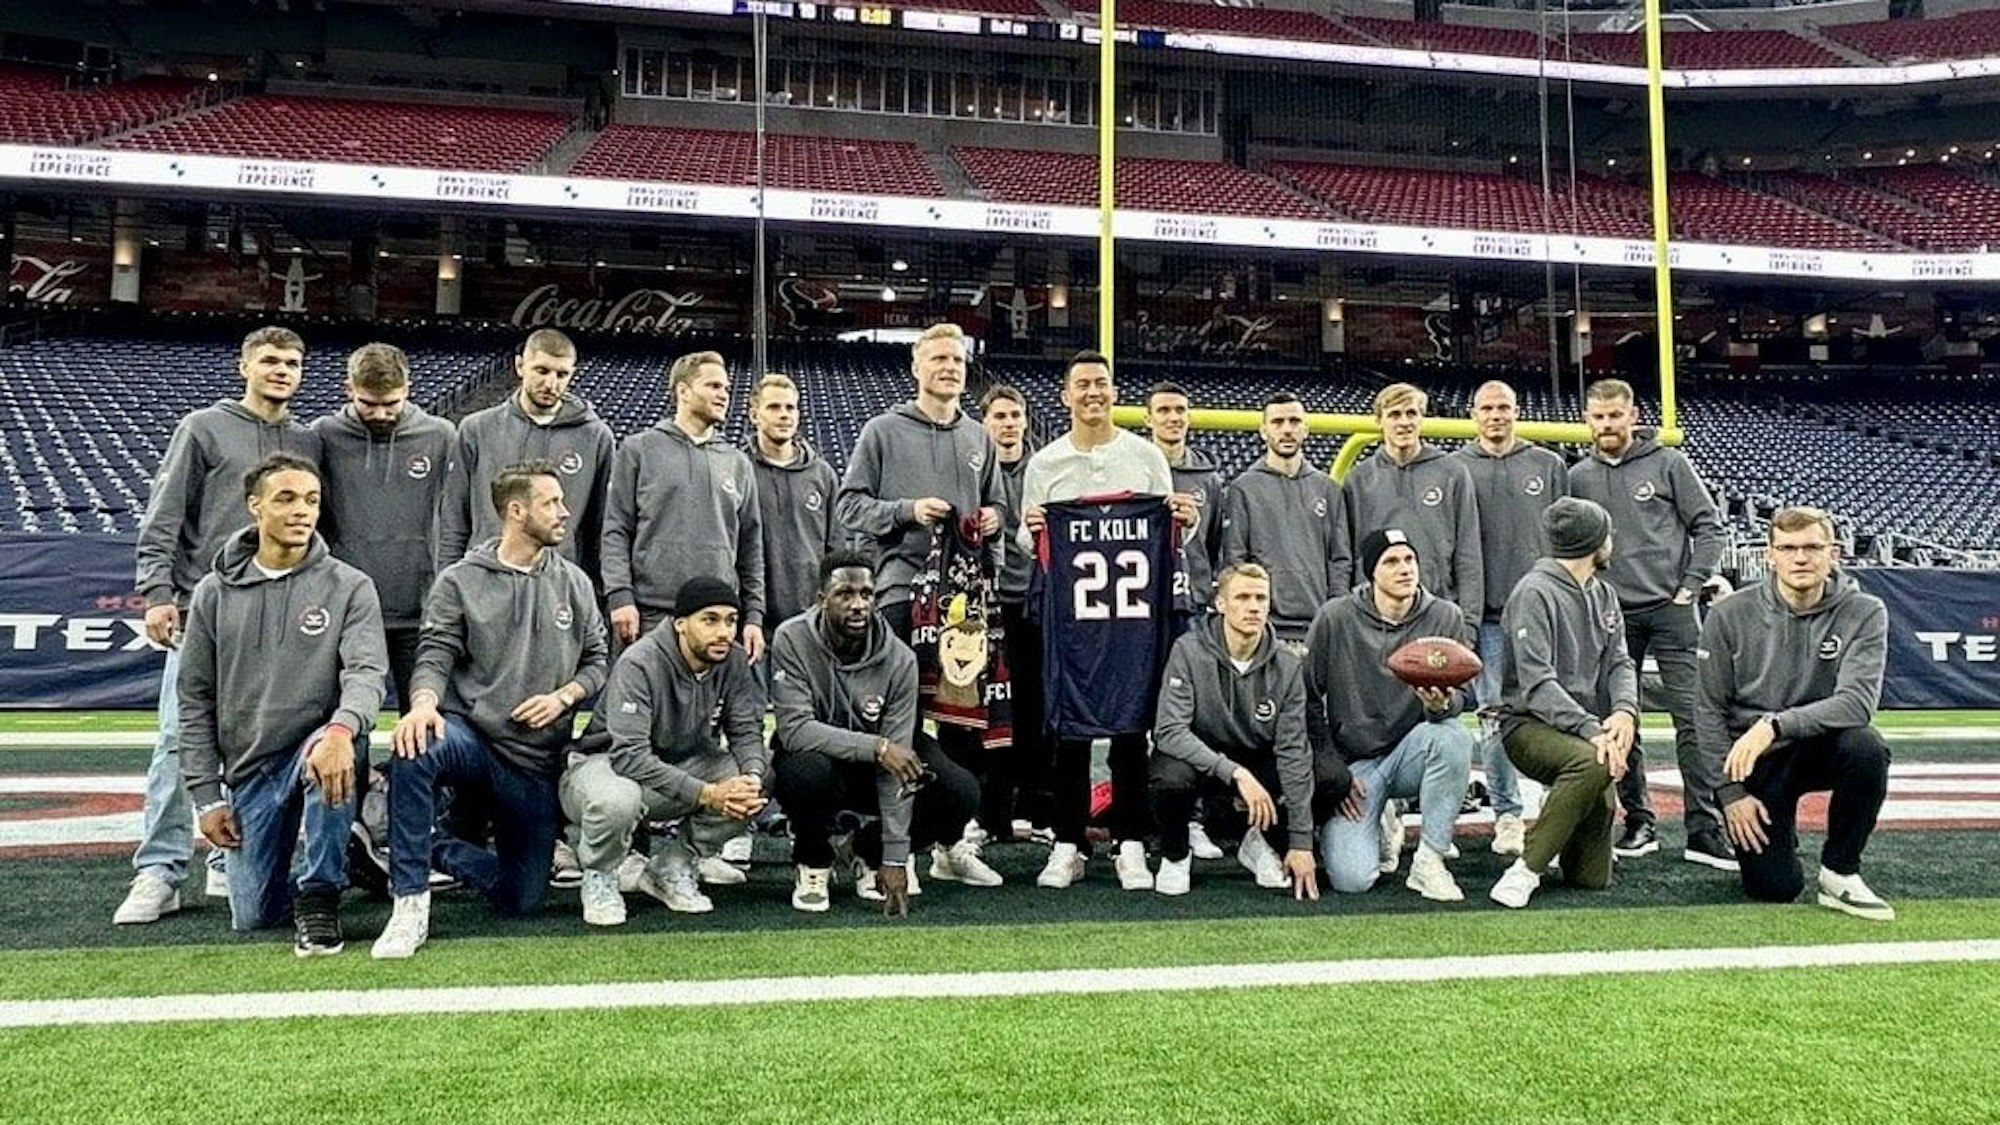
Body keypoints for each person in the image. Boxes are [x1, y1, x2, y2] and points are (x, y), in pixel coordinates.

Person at [118, 325, 322, 925]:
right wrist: (158, 592)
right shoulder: (204, 428)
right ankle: (159, 868)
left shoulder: (309, 441)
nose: (281, 370)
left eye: (291, 362)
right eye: (269, 361)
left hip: (285, 610)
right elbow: (166, 515)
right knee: (181, 737)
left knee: (267, 734)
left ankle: (226, 852)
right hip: (207, 607)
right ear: (244, 366)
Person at [371, 460, 609, 959]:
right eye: (552, 502)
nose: (566, 512)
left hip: (533, 759)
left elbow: (596, 661)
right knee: (416, 746)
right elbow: (434, 653)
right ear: (517, 512)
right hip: (473, 739)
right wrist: (421, 704)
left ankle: (428, 845)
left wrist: (564, 696)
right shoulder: (460, 581)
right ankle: (409, 902)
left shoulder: (575, 583)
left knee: (522, 899)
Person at [180, 454, 386, 953]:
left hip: (319, 747)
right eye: (286, 498)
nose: (302, 511)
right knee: (253, 915)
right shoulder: (213, 593)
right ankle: (347, 850)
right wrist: (207, 797)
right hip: (252, 767)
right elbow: (194, 698)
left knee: (330, 753)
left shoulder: (350, 586)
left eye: (312, 500)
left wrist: (342, 730)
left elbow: (366, 674)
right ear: (254, 506)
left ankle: (320, 894)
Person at [1021, 350, 1185, 892]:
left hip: (1133, 618)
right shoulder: (1044, 464)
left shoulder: (1145, 457)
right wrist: (1035, 528)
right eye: (1082, 385)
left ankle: (1130, 841)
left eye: (1102, 383)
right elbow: (1031, 546)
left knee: (1129, 731)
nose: (1093, 392)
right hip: (1072, 620)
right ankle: (1067, 841)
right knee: (1068, 732)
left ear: (1115, 392)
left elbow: (1166, 535)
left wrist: (1184, 518)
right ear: (1065, 396)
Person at [768, 552, 988, 916]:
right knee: (804, 773)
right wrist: (877, 746)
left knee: (960, 791)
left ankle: (864, 850)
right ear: (821, 600)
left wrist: (894, 856)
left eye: (866, 594)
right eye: (845, 594)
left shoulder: (899, 658)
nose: (858, 605)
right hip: (819, 757)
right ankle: (813, 860)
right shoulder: (791, 638)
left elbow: (898, 761)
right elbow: (794, 730)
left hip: (874, 764)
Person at [1701, 507, 1894, 921]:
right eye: (1788, 548)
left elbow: (1858, 703)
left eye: (1812, 547)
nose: (1800, 558)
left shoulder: (1865, 611)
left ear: (1834, 553)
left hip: (1816, 745)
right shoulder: (1728, 614)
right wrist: (1730, 795)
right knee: (1775, 888)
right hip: (1756, 763)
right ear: (1769, 555)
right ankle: (1778, 840)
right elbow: (1708, 709)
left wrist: (1774, 724)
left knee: (1866, 747)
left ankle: (1840, 871)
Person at [1569, 378, 1729, 869]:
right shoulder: (1577, 477)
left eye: (1615, 416)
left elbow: (1709, 526)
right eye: (1598, 417)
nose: (1607, 426)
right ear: (1587, 420)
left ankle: (1704, 827)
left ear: (1633, 416)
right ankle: (1639, 820)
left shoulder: (1668, 463)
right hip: (1612, 616)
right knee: (1620, 723)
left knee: (1694, 719)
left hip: (1671, 609)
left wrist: (1691, 583)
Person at [558, 577, 767, 926]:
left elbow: (745, 730)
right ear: (680, 624)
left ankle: (674, 865)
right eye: (710, 620)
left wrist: (752, 777)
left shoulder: (732, 661)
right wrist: (708, 793)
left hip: (679, 764)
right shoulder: (640, 661)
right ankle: (600, 874)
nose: (724, 632)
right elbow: (629, 757)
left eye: (731, 621)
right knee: (616, 800)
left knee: (757, 779)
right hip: (603, 765)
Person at [1305, 529, 1475, 901]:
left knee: (1454, 736)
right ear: (1371, 572)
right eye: (1391, 562)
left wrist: (1441, 706)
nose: (1404, 569)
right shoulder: (1336, 618)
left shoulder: (1445, 616)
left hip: (1412, 750)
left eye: (1409, 559)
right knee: (1352, 880)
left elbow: (1464, 694)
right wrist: (1333, 769)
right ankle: (1383, 821)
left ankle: (1429, 860)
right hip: (1357, 765)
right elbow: (1307, 697)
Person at [1489, 498, 1637, 909]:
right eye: (1607, 533)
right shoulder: (1533, 593)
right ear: (1593, 541)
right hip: (1528, 725)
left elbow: (1620, 662)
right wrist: (1593, 730)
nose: (1612, 541)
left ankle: (1561, 813)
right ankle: (1527, 868)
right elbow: (1537, 686)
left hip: (1583, 728)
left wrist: (1624, 713)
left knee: (1592, 878)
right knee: (1594, 762)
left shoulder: (1603, 592)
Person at [1149, 564, 1317, 899]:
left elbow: (1293, 751)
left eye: (1260, 598)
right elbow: (1168, 730)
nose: (1253, 607)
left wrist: (1302, 842)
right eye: (1242, 597)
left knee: (1325, 777)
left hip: (1256, 756)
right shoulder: (1188, 650)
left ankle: (1263, 843)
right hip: (1202, 757)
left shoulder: (1287, 664)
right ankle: (1175, 853)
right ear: (1221, 604)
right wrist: (1235, 773)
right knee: (1168, 777)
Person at [1454, 380, 1566, 858]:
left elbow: (1566, 541)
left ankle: (1561, 808)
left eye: (1503, 407)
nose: (1495, 415)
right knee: (1495, 714)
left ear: (1516, 411)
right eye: (1486, 408)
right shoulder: (1455, 468)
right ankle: (1506, 813)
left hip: (1541, 612)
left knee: (1556, 710)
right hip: (1488, 614)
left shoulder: (1548, 465)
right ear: (1473, 414)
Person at [835, 322, 1005, 638]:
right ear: (916, 368)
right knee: (905, 687)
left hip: (965, 593)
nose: (950, 367)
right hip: (901, 588)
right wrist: (908, 511)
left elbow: (998, 505)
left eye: (956, 359)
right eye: (939, 359)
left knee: (961, 687)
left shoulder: (980, 437)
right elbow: (849, 506)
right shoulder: (882, 431)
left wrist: (995, 519)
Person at [312, 342, 456, 712]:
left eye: (390, 404)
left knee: (424, 718)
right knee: (344, 717)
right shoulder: (323, 435)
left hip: (418, 607)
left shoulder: (440, 436)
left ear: (408, 389)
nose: (379, 413)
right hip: (345, 607)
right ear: (348, 390)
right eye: (367, 403)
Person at [603, 350, 765, 654]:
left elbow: (751, 547)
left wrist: (753, 615)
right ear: (683, 391)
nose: (724, 395)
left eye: (727, 389)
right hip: (650, 615)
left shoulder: (737, 463)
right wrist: (620, 597)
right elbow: (615, 530)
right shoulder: (639, 450)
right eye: (713, 386)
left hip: (716, 618)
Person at [436, 329, 614, 583]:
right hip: (483, 580)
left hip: (557, 583)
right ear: (520, 366)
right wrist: (448, 580)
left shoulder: (596, 437)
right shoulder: (476, 429)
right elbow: (454, 518)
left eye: (562, 374)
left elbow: (600, 527)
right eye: (542, 371)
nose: (551, 384)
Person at [1341, 382, 1481, 634]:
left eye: (1411, 413)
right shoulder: (1358, 480)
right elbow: (1348, 555)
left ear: (1422, 418)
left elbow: (1468, 552)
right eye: (1394, 415)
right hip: (1375, 618)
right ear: (1379, 421)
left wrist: (1468, 622)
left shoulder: (1452, 473)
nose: (1404, 422)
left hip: (1437, 613)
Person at [1219, 393, 1348, 650]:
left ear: (1306, 429)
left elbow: (1340, 559)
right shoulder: (1244, 488)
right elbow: (1235, 559)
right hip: (1267, 625)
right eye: (1278, 422)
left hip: (1318, 622)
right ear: (1263, 431)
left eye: (1294, 421)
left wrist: (1335, 610)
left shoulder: (1328, 489)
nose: (1287, 429)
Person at [978, 384, 1049, 844]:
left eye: (1014, 415)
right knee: (985, 712)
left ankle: (1033, 808)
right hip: (985, 603)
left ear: (1025, 420)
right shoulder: (971, 468)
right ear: (985, 422)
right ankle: (988, 812)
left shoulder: (1046, 469)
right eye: (999, 416)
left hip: (1036, 602)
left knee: (1034, 707)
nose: (1007, 423)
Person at [744, 372, 840, 656]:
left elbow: (835, 549)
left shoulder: (823, 475)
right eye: (774, 407)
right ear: (754, 414)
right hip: (753, 624)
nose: (784, 415)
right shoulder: (739, 470)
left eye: (791, 407)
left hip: (810, 623)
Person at [1146, 381, 1225, 615]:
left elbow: (1215, 542)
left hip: (1195, 599)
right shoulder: (1133, 471)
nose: (1173, 417)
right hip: (1146, 597)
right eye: (1163, 410)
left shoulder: (1208, 479)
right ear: (1148, 420)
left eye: (1180, 410)